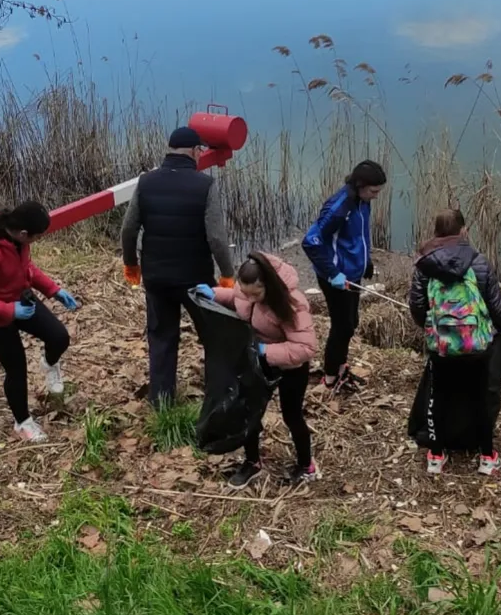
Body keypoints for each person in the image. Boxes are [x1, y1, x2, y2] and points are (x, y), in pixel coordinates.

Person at [121, 125, 235, 406]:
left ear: (170, 150)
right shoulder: (205, 186)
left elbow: (128, 229)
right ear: (196, 151)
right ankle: (217, 400)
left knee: (161, 339)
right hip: (195, 280)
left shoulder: (146, 182)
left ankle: (161, 404)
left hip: (157, 278)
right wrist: (228, 275)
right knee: (214, 337)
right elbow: (217, 239)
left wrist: (131, 265)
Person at [0, 201, 78, 444]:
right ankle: (22, 422)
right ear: (24, 233)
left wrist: (54, 290)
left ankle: (49, 364)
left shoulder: (16, 241)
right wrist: (9, 311)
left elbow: (25, 268)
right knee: (16, 369)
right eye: (38, 236)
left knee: (59, 337)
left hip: (20, 298)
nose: (38, 240)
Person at [198, 252, 319, 487]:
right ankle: (252, 462)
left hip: (291, 366)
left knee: (291, 416)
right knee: (247, 410)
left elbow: (306, 347)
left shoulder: (292, 304)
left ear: (268, 286)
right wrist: (214, 294)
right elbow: (236, 299)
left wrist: (266, 351)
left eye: (256, 294)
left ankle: (307, 465)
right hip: (258, 361)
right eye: (246, 293)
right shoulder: (245, 293)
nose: (250, 298)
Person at [408, 209, 501, 477]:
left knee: (437, 397)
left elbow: (417, 305)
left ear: (436, 233)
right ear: (464, 231)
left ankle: (436, 456)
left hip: (441, 346)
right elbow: (495, 304)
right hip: (476, 346)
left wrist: (431, 328)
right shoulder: (479, 262)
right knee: (481, 397)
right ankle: (487, 457)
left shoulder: (426, 265)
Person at [302, 160, 387, 393]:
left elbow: (360, 234)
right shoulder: (340, 207)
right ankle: (330, 378)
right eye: (373, 191)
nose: (376, 196)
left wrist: (366, 261)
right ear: (360, 184)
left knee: (351, 324)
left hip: (352, 274)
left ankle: (341, 368)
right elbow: (311, 242)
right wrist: (333, 274)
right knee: (342, 327)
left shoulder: (362, 201)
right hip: (337, 278)